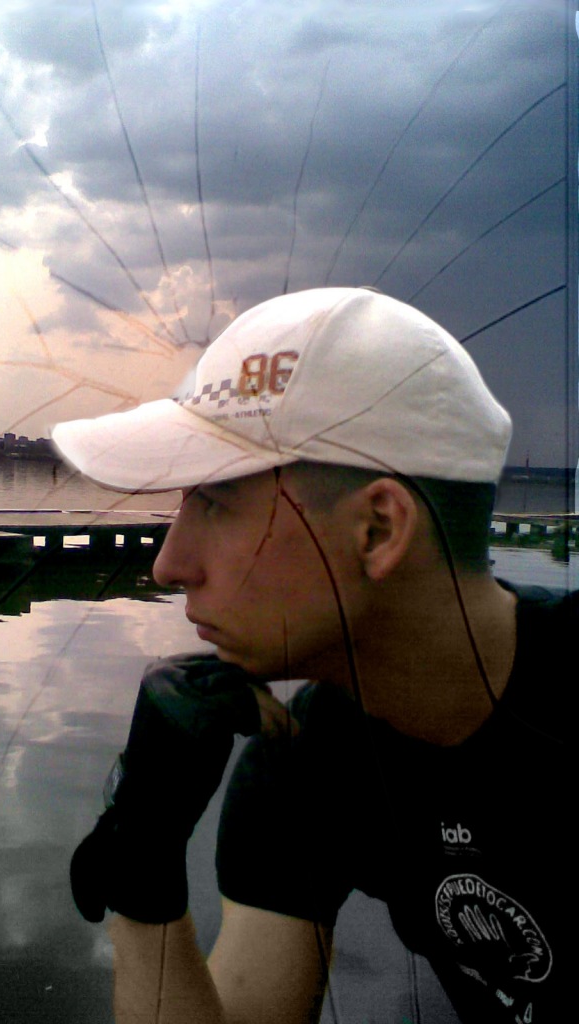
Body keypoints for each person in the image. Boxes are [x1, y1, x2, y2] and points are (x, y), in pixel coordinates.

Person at [52, 287, 571, 1023]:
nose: (168, 564)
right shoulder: (300, 763)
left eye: (216, 502)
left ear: (378, 530)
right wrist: (141, 853)